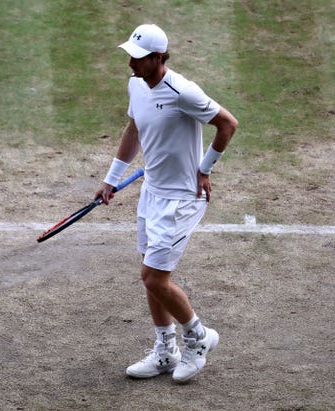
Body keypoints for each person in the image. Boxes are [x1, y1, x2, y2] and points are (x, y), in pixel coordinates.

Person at [95, 23, 238, 383]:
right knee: (150, 278)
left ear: (158, 58)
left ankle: (198, 338)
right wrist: (111, 179)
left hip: (181, 200)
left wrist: (204, 169)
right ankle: (165, 351)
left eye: (138, 58)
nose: (131, 64)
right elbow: (134, 129)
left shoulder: (182, 91)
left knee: (153, 278)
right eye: (130, 56)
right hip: (152, 194)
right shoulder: (136, 85)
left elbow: (228, 125)